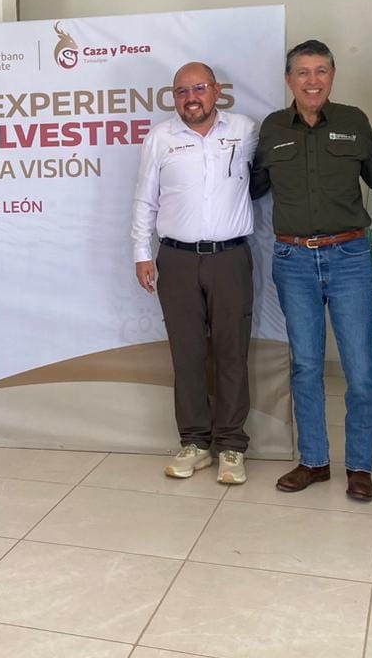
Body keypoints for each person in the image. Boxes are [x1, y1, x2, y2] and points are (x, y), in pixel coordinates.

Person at [252, 39, 372, 502]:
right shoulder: (272, 129)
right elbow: (251, 188)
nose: (312, 81)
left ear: (332, 76)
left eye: (321, 71)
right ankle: (313, 460)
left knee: (361, 369)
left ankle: (360, 466)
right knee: (306, 365)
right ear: (289, 80)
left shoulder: (353, 122)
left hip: (350, 257)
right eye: (303, 72)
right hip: (293, 261)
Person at [132, 62, 257, 485]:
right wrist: (141, 254)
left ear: (216, 90)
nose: (191, 98)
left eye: (199, 88)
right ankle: (195, 443)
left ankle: (232, 445)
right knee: (186, 354)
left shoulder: (245, 130)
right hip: (177, 259)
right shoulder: (160, 138)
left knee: (231, 352)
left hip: (230, 258)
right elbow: (145, 200)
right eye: (182, 92)